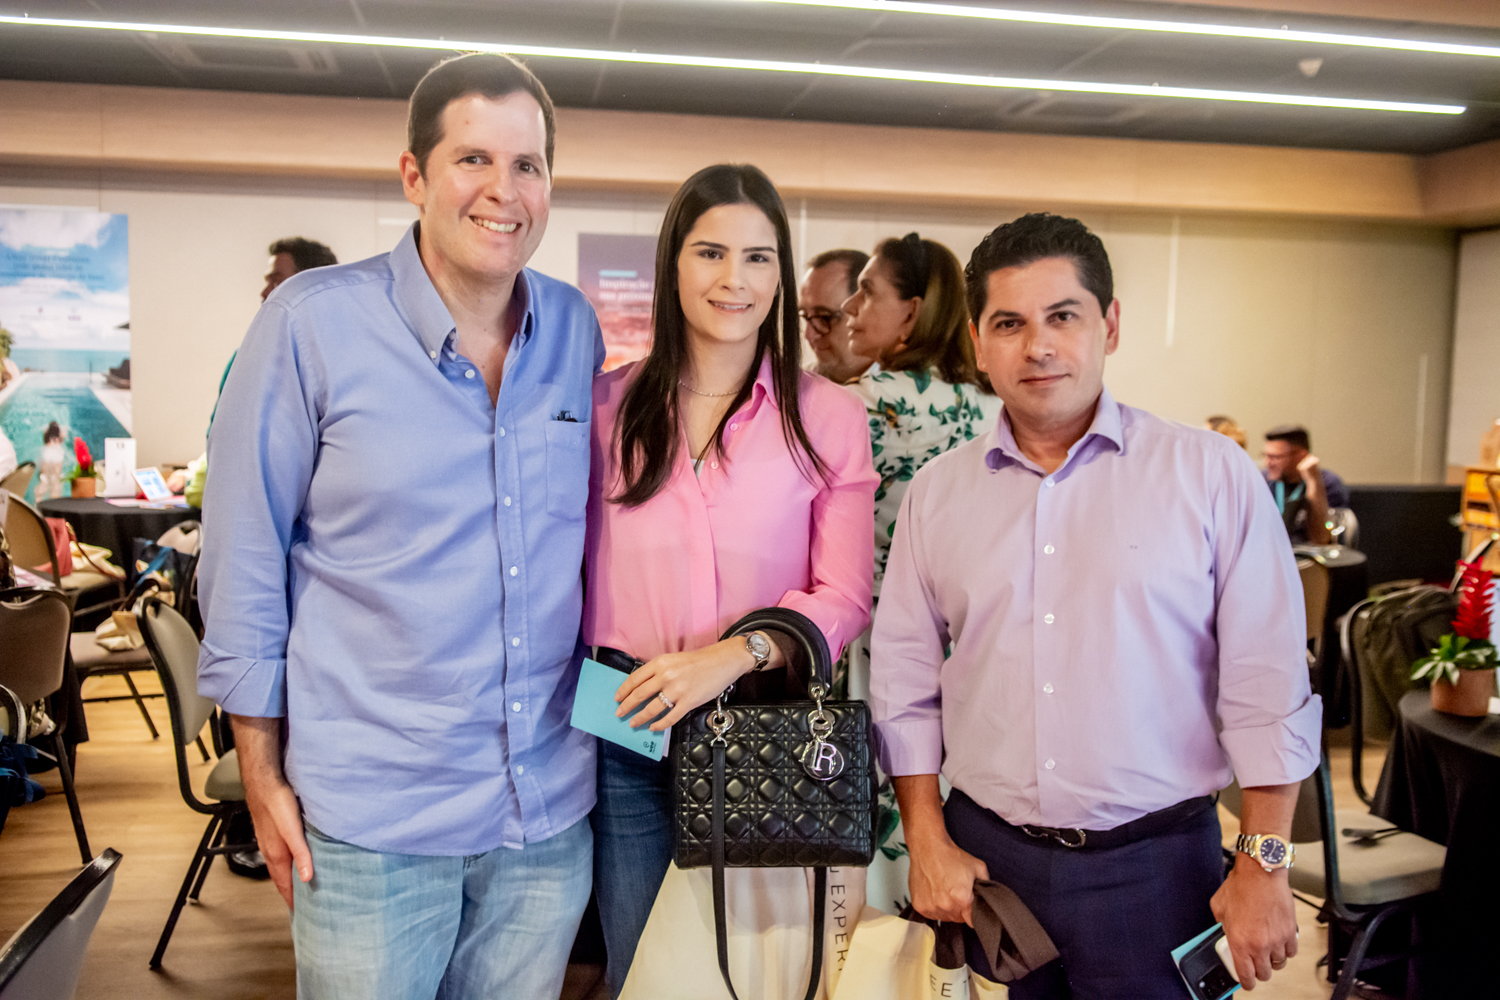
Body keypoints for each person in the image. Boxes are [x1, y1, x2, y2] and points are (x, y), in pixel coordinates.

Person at [196, 52, 603, 998]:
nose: (504, 191)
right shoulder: (311, 325)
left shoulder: (573, 329)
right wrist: (260, 771)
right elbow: (244, 555)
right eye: (473, 160)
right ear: (414, 175)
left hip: (543, 819)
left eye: (528, 165)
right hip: (373, 826)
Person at [871, 213, 1320, 998]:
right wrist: (925, 836)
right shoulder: (938, 494)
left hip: (1158, 870)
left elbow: (1267, 684)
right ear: (978, 340)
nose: (1038, 346)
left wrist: (1264, 863)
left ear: (1109, 325)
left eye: (1063, 316)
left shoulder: (1210, 475)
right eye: (1009, 323)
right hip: (987, 869)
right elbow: (904, 680)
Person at [583, 163, 876, 997]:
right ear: (673, 263)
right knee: (642, 970)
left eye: (758, 257)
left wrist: (734, 654)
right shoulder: (605, 407)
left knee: (756, 972)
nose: (733, 280)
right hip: (624, 720)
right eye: (710, 253)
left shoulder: (826, 414)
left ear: (780, 276)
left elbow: (845, 593)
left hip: (762, 726)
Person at [839, 232, 1000, 697]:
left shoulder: (854, 406)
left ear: (911, 312)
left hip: (874, 626)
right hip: (972, 631)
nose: (850, 306)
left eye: (867, 291)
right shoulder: (998, 408)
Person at [170, 237, 339, 500]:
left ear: (309, 285)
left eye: (276, 281)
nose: (264, 292)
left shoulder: (345, 362)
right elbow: (222, 444)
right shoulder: (247, 359)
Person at [1263, 424, 1348, 545]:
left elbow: (1322, 538)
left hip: (1308, 554)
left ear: (1301, 456)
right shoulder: (1264, 481)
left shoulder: (1328, 483)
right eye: (1265, 455)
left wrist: (1313, 483)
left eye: (1275, 457)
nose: (1267, 463)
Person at [799, 247, 873, 384]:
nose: (809, 335)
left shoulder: (906, 390)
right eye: (805, 316)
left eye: (823, 318)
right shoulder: (797, 385)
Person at [33, 422, 64, 500]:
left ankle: (38, 501)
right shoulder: (59, 439)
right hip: (57, 459)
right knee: (55, 483)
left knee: (43, 480)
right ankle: (54, 504)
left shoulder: (47, 437)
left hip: (46, 456)